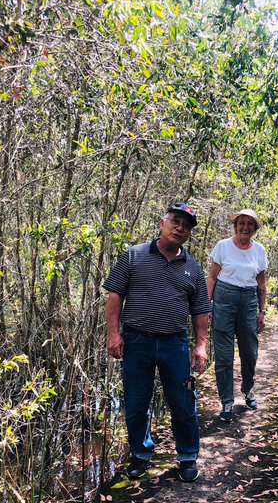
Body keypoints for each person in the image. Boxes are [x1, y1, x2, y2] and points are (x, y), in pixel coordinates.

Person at [104, 203, 211, 482]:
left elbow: (201, 310)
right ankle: (140, 453)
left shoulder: (193, 268)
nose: (180, 228)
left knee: (183, 401)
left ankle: (187, 456)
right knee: (137, 401)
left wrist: (200, 345)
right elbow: (115, 297)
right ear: (162, 222)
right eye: (175, 221)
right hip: (136, 340)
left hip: (174, 343)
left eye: (186, 226)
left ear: (189, 234)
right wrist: (113, 334)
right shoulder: (133, 255)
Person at [206, 209, 268, 423]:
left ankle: (248, 390)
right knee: (223, 356)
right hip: (224, 299)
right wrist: (207, 306)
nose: (245, 227)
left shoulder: (259, 251)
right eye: (242, 223)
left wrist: (262, 311)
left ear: (255, 228)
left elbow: (261, 284)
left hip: (249, 302)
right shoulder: (223, 246)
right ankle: (226, 401)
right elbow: (212, 278)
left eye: (250, 224)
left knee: (250, 352)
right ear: (236, 225)